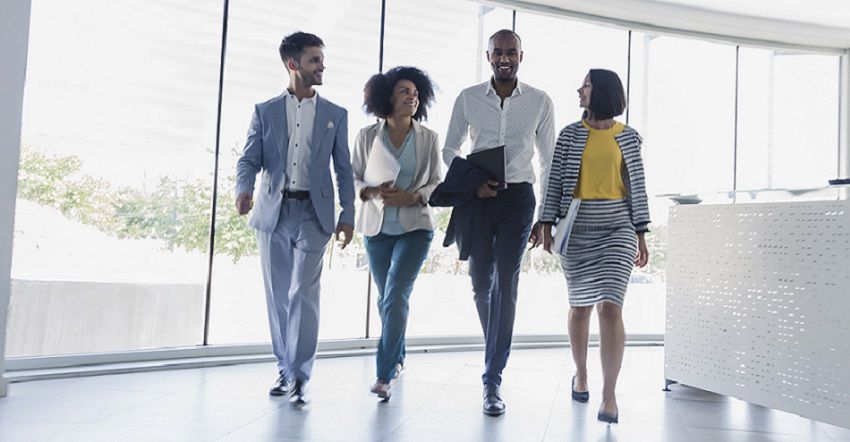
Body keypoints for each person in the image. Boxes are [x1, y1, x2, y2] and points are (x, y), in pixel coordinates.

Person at [235, 31, 355, 405]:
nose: (322, 66)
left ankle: (301, 374)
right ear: (293, 64)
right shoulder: (264, 111)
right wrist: (244, 188)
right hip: (273, 212)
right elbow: (248, 159)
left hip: (314, 214)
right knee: (278, 296)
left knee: (304, 291)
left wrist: (347, 215)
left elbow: (344, 170)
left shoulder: (336, 114)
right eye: (314, 60)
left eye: (321, 59)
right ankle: (284, 370)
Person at [442, 29, 555, 416]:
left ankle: (492, 378)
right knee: (480, 283)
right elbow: (449, 148)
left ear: (521, 56)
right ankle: (496, 346)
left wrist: (547, 216)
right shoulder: (468, 98)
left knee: (506, 279)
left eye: (511, 52)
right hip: (479, 197)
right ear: (488, 56)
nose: (504, 58)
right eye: (497, 53)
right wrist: (475, 184)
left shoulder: (540, 101)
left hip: (520, 200)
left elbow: (549, 159)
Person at [539, 69, 650, 424]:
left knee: (611, 308)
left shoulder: (629, 137)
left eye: (585, 85)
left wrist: (642, 233)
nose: (579, 90)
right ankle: (581, 374)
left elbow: (638, 187)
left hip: (618, 227)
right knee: (581, 307)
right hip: (577, 228)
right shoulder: (570, 135)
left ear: (601, 91)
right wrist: (545, 223)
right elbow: (554, 181)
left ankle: (609, 396)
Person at [351, 66, 442, 400]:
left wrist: (414, 196)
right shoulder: (365, 136)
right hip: (377, 229)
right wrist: (372, 192)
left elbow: (436, 182)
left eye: (416, 93)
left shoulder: (428, 138)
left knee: (395, 295)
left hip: (414, 228)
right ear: (387, 96)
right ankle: (398, 356)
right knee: (386, 298)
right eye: (405, 91)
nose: (412, 97)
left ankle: (384, 374)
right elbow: (355, 179)